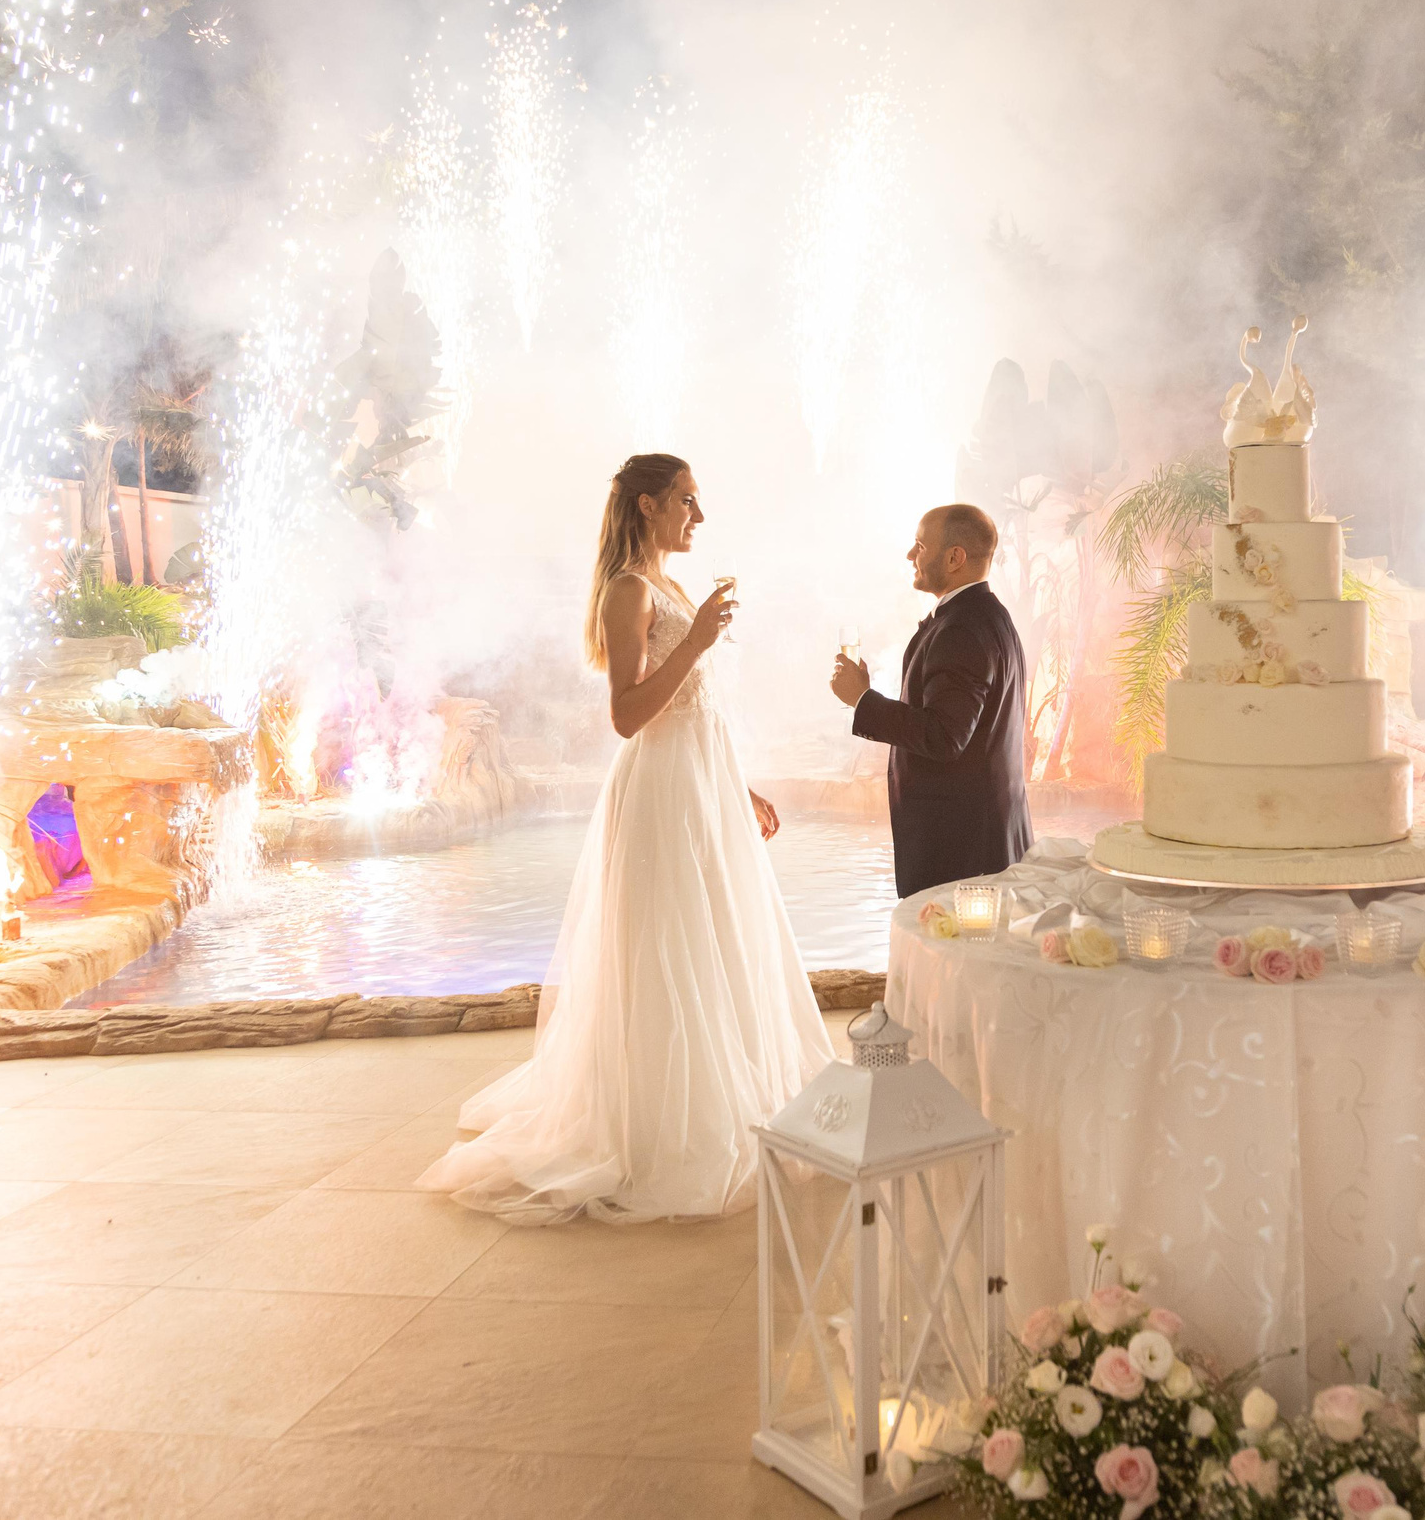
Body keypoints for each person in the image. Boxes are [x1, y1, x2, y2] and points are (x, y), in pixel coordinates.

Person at [420, 454, 832, 1224]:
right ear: (647, 505)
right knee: (667, 948)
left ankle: (721, 1092)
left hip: (702, 784)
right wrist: (699, 640)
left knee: (717, 942)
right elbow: (629, 714)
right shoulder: (628, 591)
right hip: (661, 795)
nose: (698, 517)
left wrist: (736, 786)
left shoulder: (671, 588)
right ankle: (658, 1119)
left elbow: (695, 711)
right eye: (687, 501)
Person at [831, 503, 1032, 896]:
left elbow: (945, 736)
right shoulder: (991, 615)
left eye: (920, 546)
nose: (911, 556)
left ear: (954, 557)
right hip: (983, 837)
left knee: (955, 954)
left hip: (960, 848)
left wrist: (862, 700)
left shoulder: (961, 629)